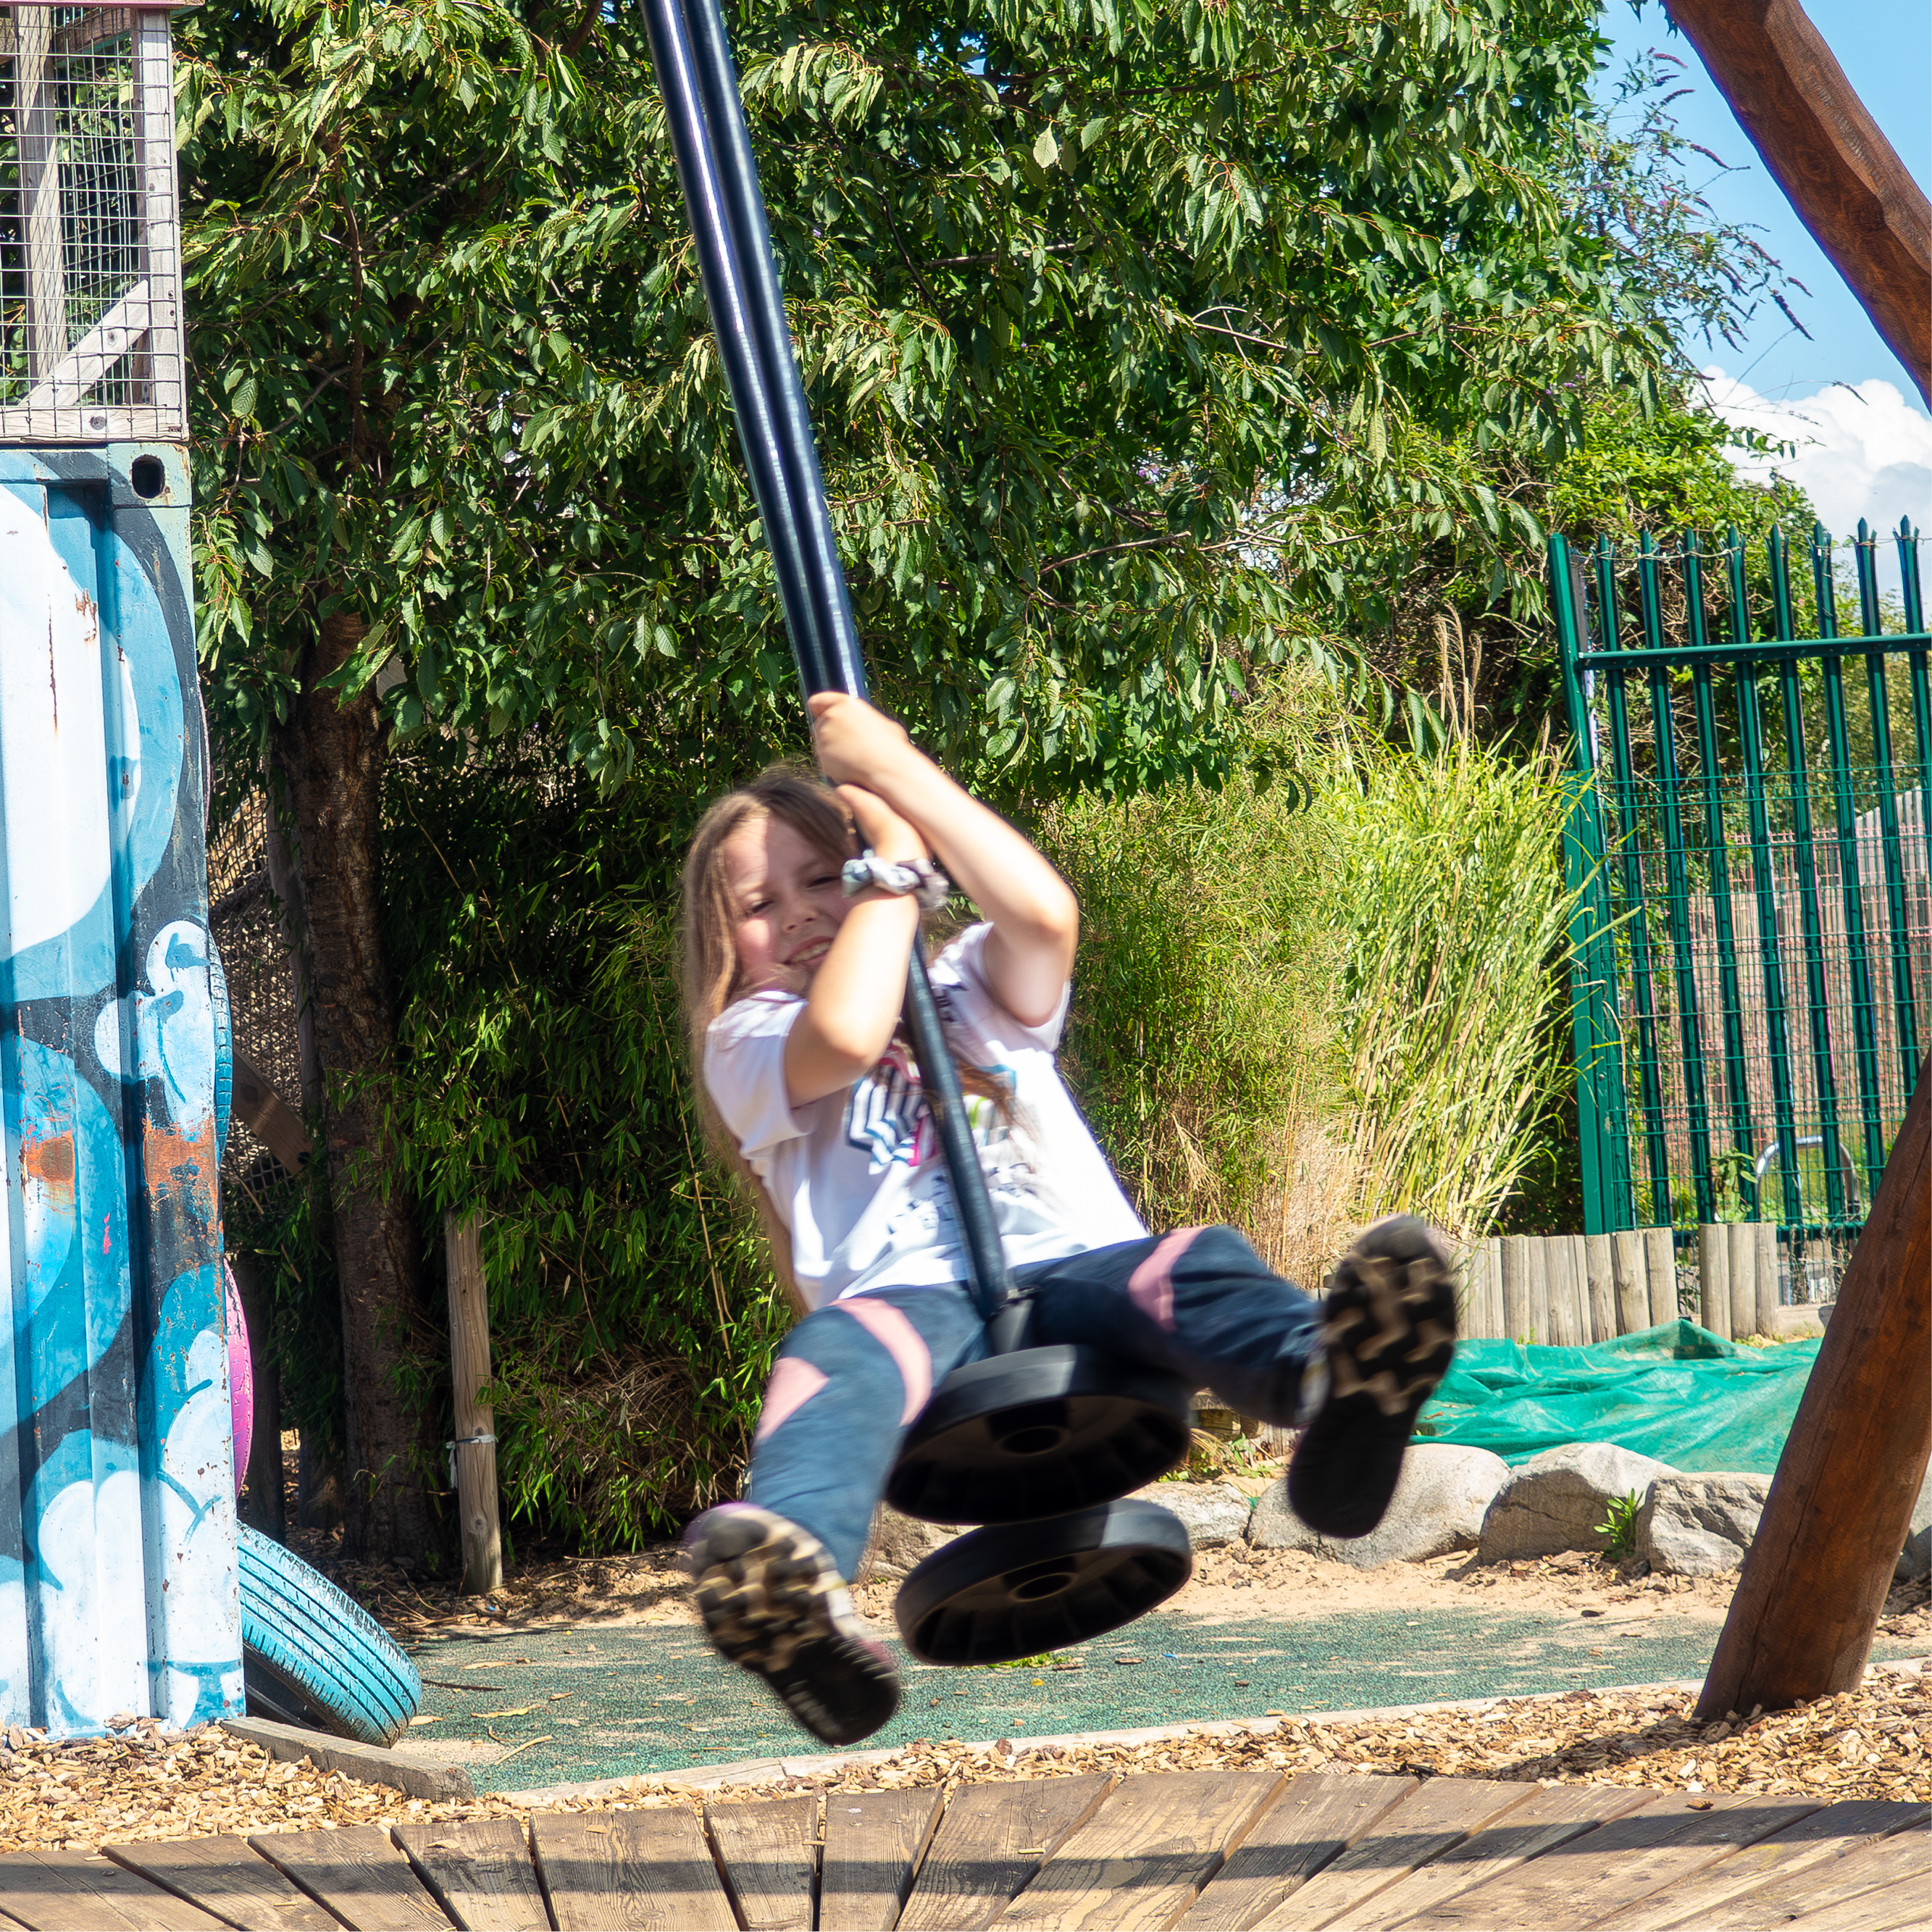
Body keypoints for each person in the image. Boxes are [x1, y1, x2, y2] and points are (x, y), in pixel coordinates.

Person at [679, 693, 1456, 1745]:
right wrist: (891, 868)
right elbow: (851, 1032)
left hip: (1079, 1269)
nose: (808, 909)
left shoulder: (968, 987)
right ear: (724, 943)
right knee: (833, 1359)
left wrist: (900, 772)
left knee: (1187, 1263)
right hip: (906, 1308)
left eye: (824, 873)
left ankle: (1335, 1378)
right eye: (762, 903)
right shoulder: (751, 1040)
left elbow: (1043, 915)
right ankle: (798, 1587)